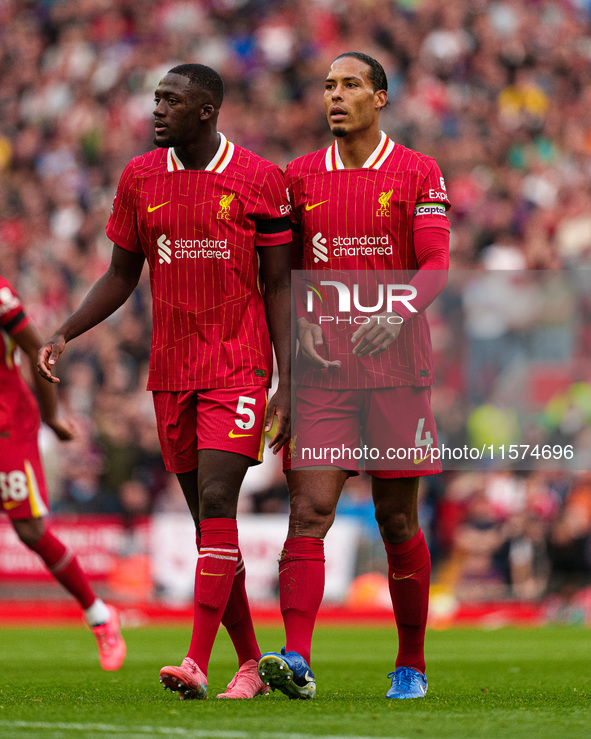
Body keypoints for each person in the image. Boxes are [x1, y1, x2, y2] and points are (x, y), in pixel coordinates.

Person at [38, 63, 292, 700]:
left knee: (216, 505)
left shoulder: (259, 179)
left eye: (170, 100)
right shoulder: (139, 177)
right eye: (155, 98)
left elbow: (282, 284)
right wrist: (66, 330)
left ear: (206, 111)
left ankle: (196, 662)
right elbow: (122, 275)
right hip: (171, 370)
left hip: (239, 366)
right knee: (213, 530)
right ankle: (251, 664)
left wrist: (289, 377)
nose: (156, 109)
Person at [257, 52, 450, 700]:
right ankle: (297, 657)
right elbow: (278, 276)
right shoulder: (297, 178)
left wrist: (395, 312)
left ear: (381, 97)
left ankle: (411, 663)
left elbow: (435, 265)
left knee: (396, 521)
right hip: (322, 375)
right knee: (307, 510)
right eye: (327, 86)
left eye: (349, 85)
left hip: (396, 371)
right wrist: (290, 341)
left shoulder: (417, 171)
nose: (334, 96)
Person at [0, 274, 126, 671]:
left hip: (8, 425)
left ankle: (100, 616)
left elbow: (38, 350)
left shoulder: (1, 296)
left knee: (30, 530)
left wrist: (51, 416)